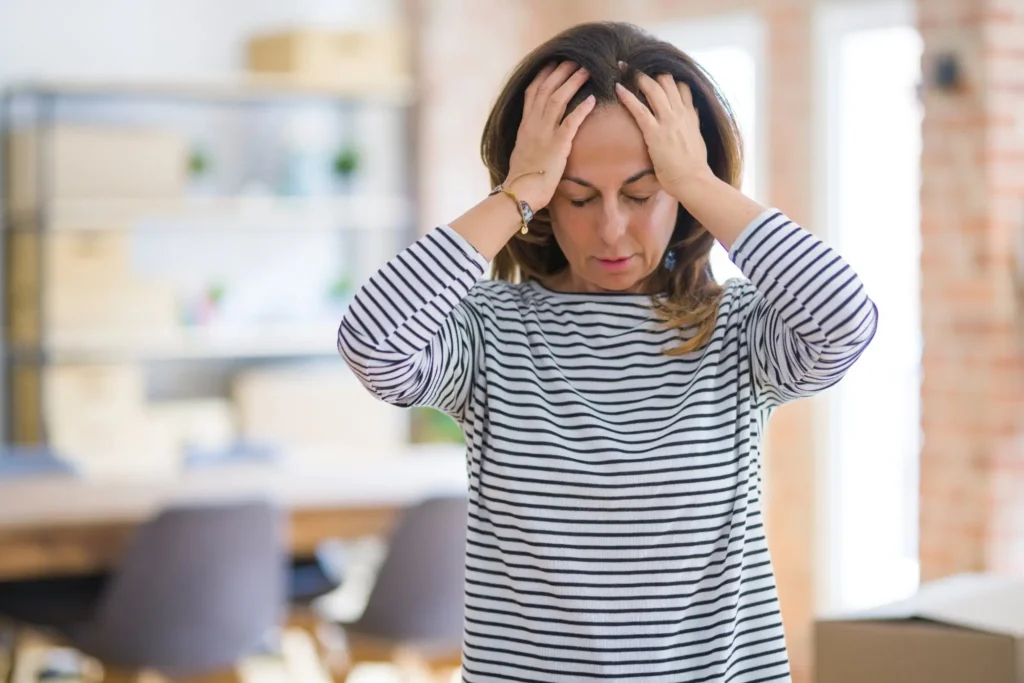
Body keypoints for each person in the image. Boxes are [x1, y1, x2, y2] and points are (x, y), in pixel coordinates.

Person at [338, 20, 877, 683]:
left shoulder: (739, 332)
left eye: (644, 192)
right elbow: (371, 341)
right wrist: (516, 191)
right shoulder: (488, 333)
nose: (612, 228)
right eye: (577, 196)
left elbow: (846, 323)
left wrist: (701, 185)